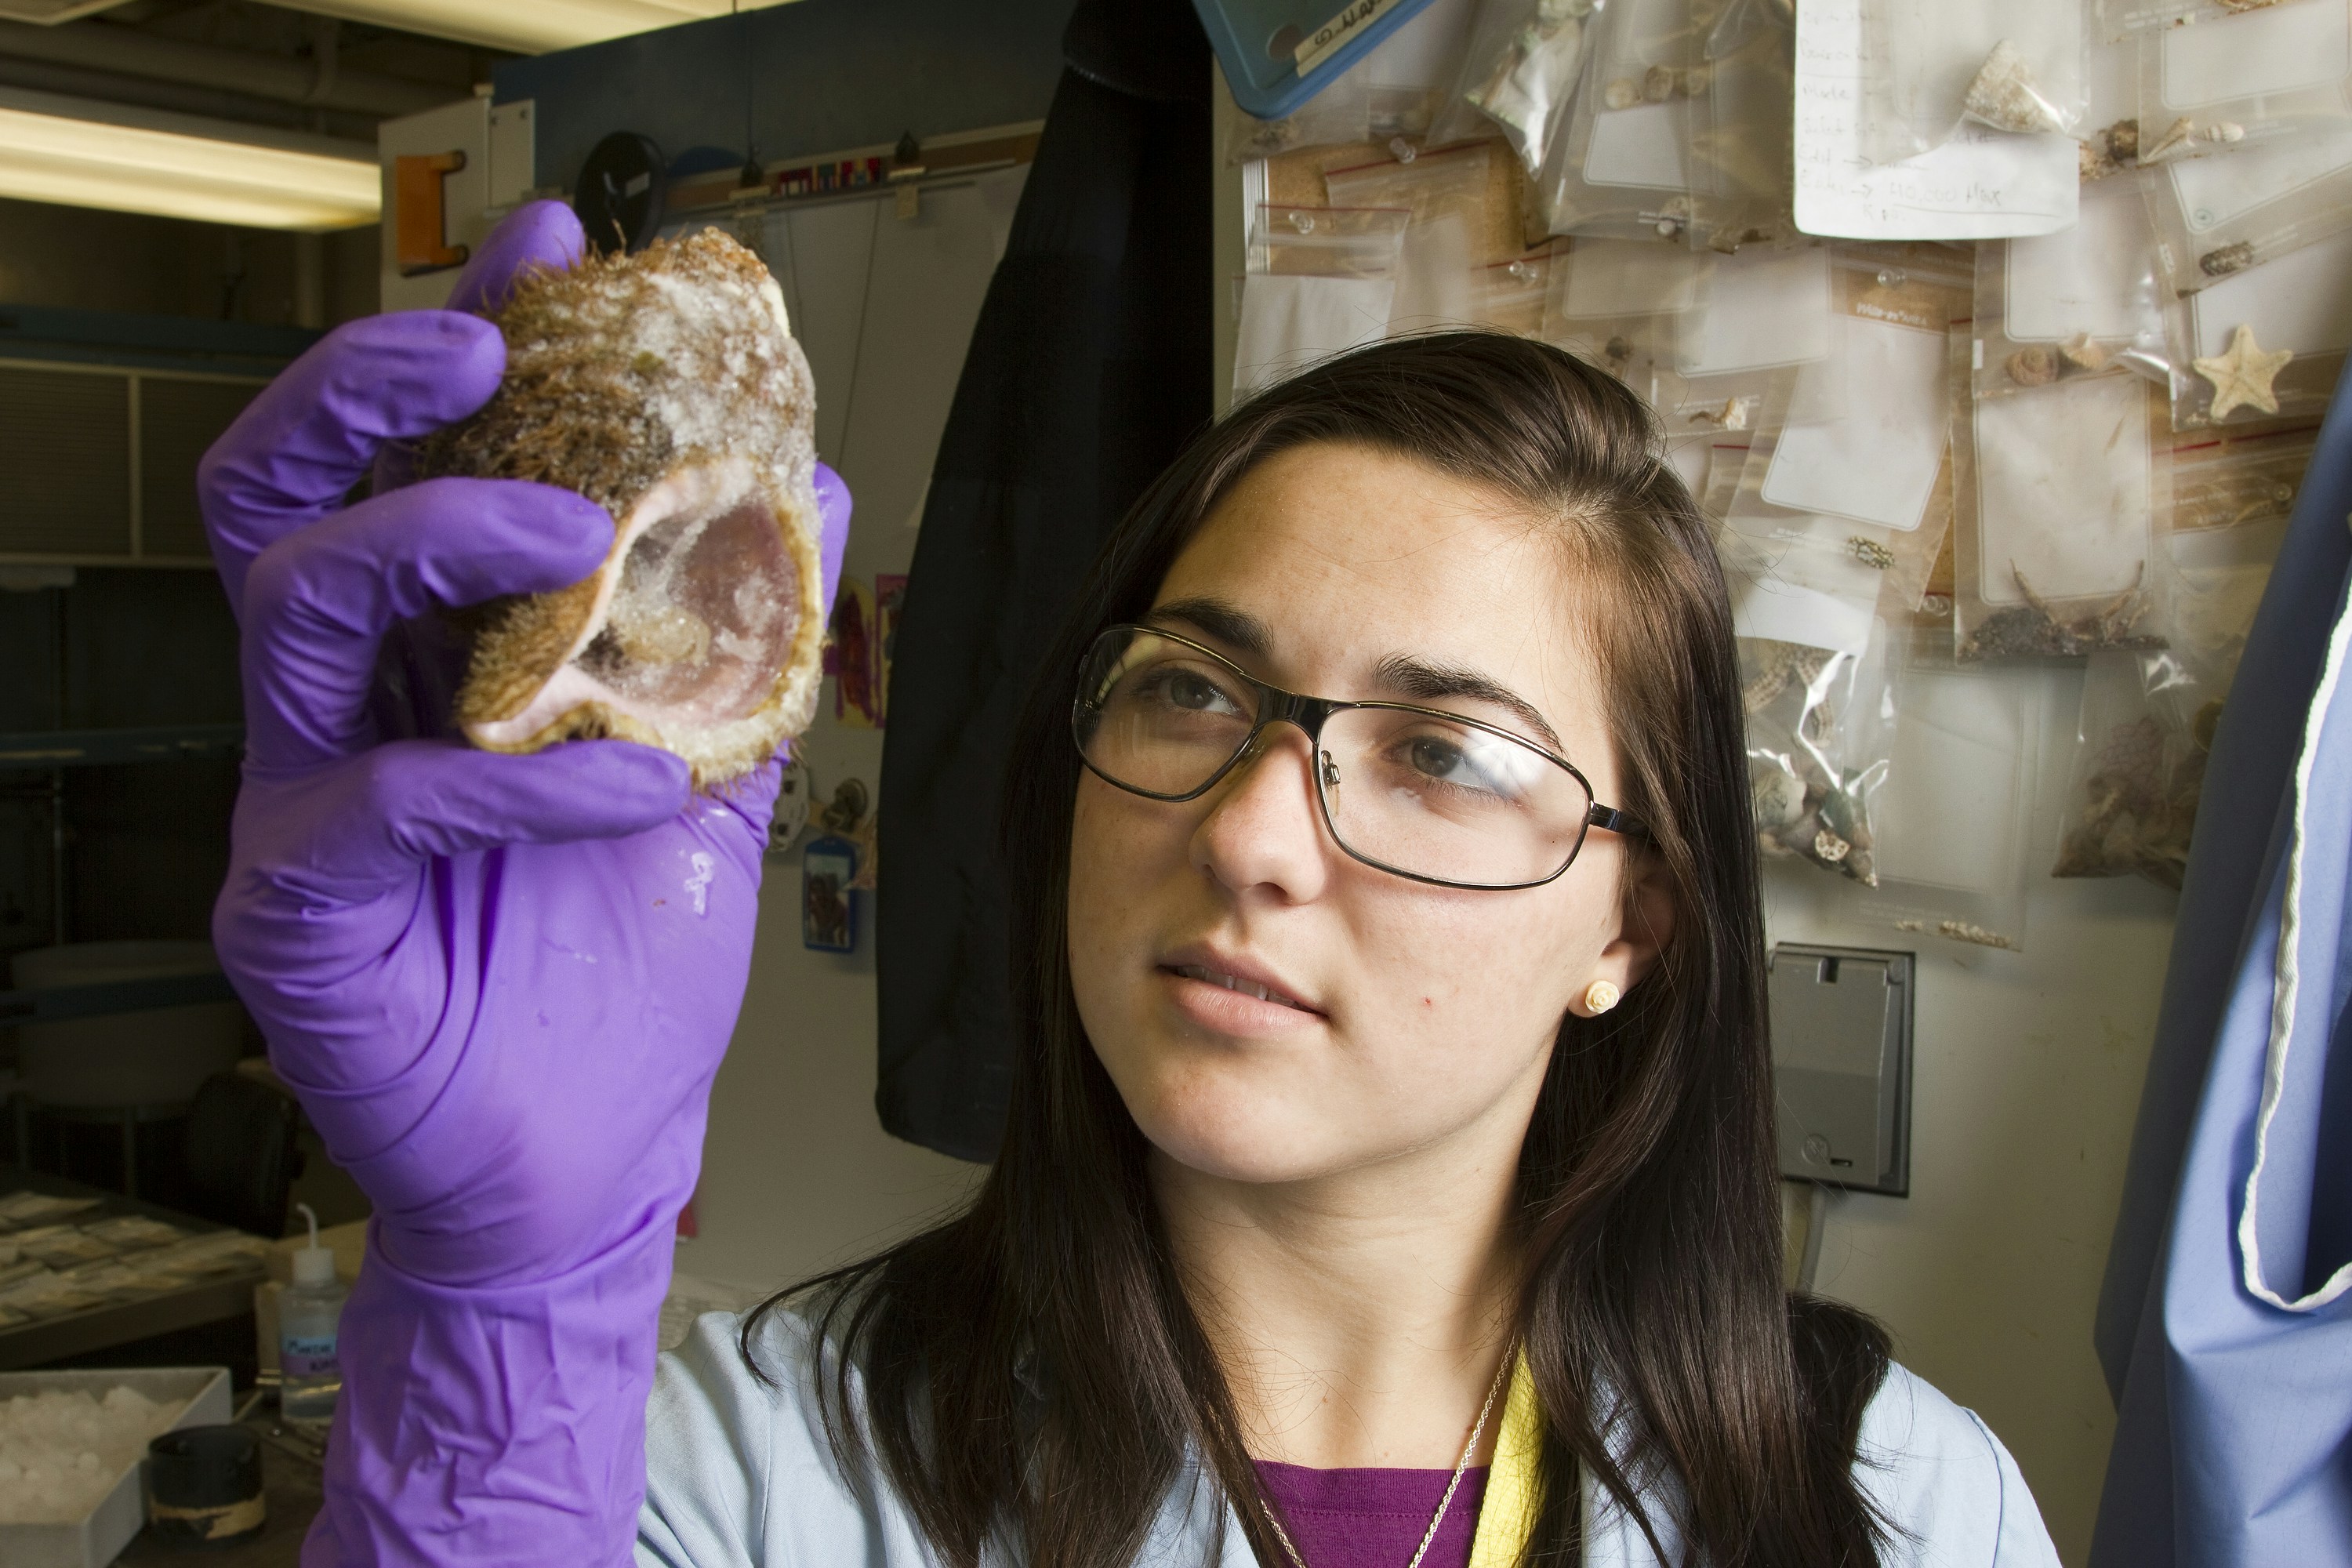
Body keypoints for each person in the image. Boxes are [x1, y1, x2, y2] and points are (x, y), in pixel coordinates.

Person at [203, 205, 2057, 1567]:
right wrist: (509, 1299)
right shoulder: (748, 1479)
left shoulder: (1906, 1510)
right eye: (1192, 687)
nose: (1253, 831)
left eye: (1443, 753)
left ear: (1630, 925)